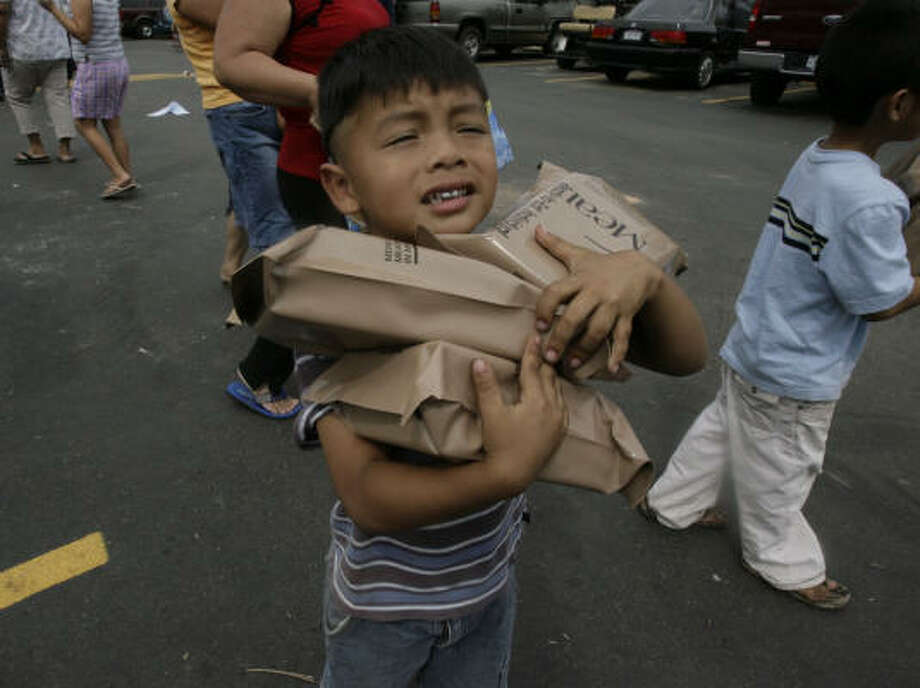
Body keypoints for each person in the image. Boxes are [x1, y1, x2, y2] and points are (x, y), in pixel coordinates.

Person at [305, 27, 707, 686]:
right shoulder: (327, 312)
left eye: (469, 128)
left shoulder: (527, 269)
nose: (447, 155)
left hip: (490, 587)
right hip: (382, 606)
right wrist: (503, 474)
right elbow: (367, 495)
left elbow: (684, 358)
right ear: (343, 186)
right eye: (406, 137)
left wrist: (640, 275)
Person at [641, 0, 920, 611]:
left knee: (721, 429)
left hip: (755, 346)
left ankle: (673, 503)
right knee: (782, 470)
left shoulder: (821, 155)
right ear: (898, 106)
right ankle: (782, 560)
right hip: (797, 372)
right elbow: (879, 300)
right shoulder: (872, 199)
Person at [212, 0, 389, 434]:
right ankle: (257, 376)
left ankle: (348, 365)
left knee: (338, 276)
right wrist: (319, 90)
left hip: (362, 156)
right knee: (321, 281)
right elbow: (233, 62)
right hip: (317, 165)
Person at [166, 0, 302, 420]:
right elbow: (255, 26)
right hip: (240, 108)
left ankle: (241, 286)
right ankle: (257, 378)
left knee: (289, 220)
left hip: (272, 102)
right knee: (282, 240)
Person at [39, 0, 135, 199]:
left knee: (84, 123)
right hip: (116, 61)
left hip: (95, 65)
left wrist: (53, 10)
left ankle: (120, 175)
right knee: (113, 123)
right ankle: (127, 175)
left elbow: (83, 34)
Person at [0, 0, 76, 164]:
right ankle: (65, 150)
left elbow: (2, 11)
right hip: (57, 48)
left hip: (23, 49)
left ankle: (36, 147)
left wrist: (1, 47)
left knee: (18, 98)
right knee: (59, 98)